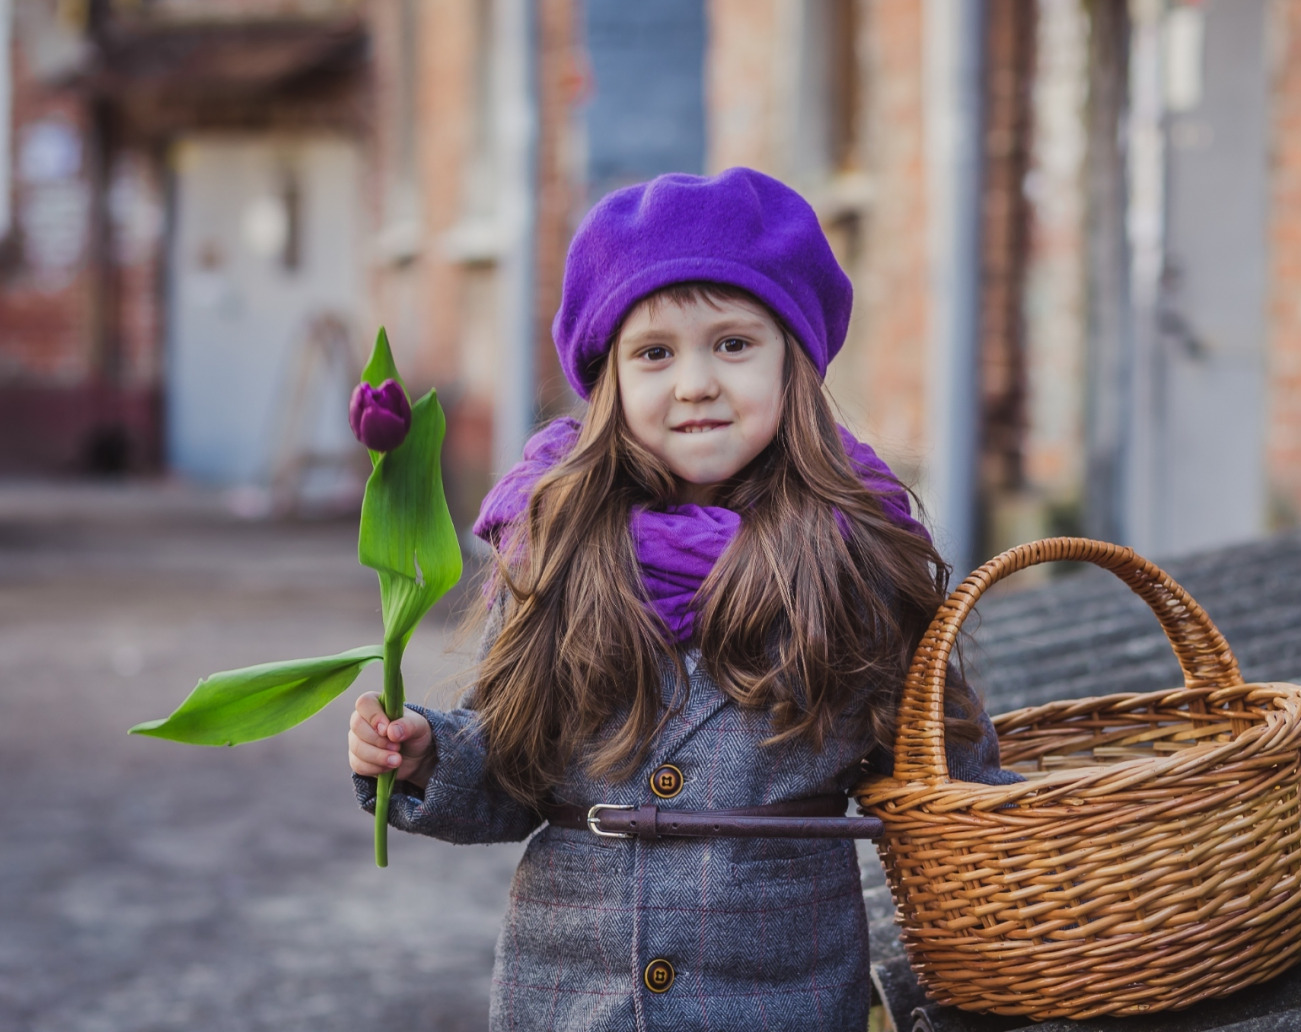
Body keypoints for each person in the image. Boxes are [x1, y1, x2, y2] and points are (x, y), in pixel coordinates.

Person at [346, 168, 1018, 1032]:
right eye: (655, 353)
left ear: (793, 365)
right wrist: (425, 756)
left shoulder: (857, 552)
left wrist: (1029, 848)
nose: (695, 382)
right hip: (576, 1001)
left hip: (785, 998)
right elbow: (513, 769)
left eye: (733, 345)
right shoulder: (555, 548)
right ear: (610, 379)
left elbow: (944, 767)